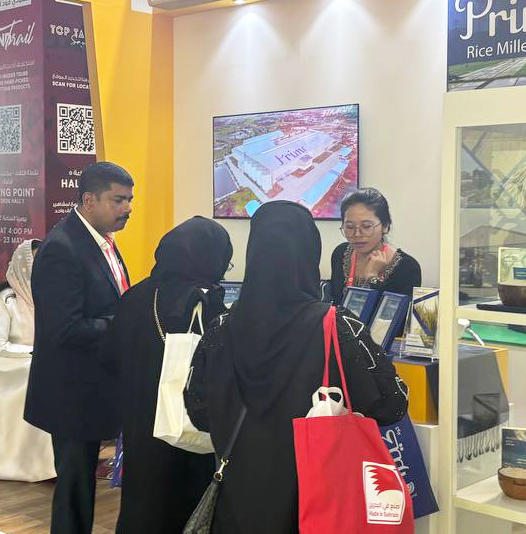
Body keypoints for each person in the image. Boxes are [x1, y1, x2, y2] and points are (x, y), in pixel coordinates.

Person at [185, 201, 407, 534]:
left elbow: (198, 411)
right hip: (318, 502)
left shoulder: (220, 328)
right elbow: (392, 404)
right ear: (309, 253)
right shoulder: (336, 327)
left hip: (240, 499)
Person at [24, 161, 134, 534]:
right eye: (118, 200)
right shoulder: (63, 248)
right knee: (74, 490)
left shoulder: (102, 240)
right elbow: (65, 329)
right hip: (71, 391)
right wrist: (124, 323)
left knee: (81, 486)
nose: (127, 208)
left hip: (96, 386)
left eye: (129, 199)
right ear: (89, 200)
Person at [107, 216, 233, 534]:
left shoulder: (136, 296)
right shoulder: (205, 302)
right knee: (184, 510)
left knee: (141, 505)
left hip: (138, 423)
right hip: (185, 430)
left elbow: (110, 355)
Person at [0, 239, 56, 481]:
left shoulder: (51, 297)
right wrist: (35, 353)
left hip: (35, 360)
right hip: (4, 366)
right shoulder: (5, 299)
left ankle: (55, 461)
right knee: (39, 374)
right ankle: (33, 464)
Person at [329, 187, 422, 304]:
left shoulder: (407, 267)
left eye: (366, 226)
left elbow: (394, 313)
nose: (357, 234)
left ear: (385, 226)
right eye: (350, 227)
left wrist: (373, 278)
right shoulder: (340, 253)